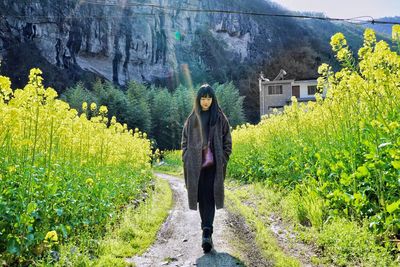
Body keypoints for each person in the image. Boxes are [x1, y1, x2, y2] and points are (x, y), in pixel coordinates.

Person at [181, 84, 232, 253]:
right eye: (203, 98)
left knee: (210, 197)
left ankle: (207, 232)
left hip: (213, 166)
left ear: (213, 99)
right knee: (202, 199)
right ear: (198, 99)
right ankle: (206, 230)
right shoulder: (192, 118)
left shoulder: (219, 117)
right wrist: (186, 156)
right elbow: (184, 141)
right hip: (196, 168)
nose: (206, 102)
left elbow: (227, 140)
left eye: (209, 98)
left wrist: (223, 158)